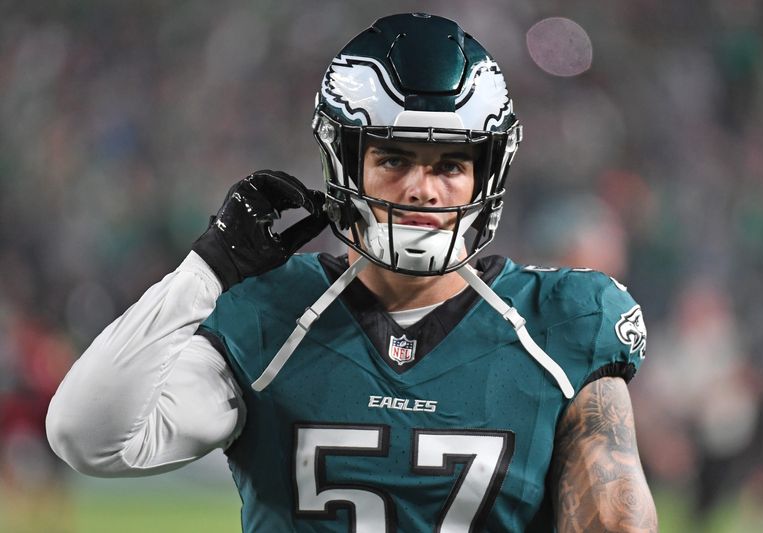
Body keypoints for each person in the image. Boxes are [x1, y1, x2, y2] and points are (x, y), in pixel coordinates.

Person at [46, 12, 657, 532]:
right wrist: (206, 271)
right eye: (394, 158)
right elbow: (87, 436)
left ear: (486, 176)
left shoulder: (562, 319)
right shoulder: (272, 314)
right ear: (345, 164)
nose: (422, 189)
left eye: (450, 164)